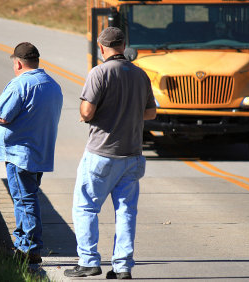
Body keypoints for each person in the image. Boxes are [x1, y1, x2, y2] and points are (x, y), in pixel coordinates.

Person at [64, 27, 157, 279]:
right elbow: (151, 113)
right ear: (123, 45)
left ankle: (89, 261)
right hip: (133, 155)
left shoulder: (99, 72)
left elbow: (86, 112)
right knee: (126, 211)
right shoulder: (140, 75)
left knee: (85, 208)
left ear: (101, 47)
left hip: (102, 153)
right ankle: (122, 267)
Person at [0, 42, 63, 264]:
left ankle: (28, 250)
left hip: (20, 153)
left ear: (17, 63)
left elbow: (3, 116)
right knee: (28, 198)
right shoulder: (52, 84)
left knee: (24, 200)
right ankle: (26, 244)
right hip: (40, 151)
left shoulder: (20, 85)